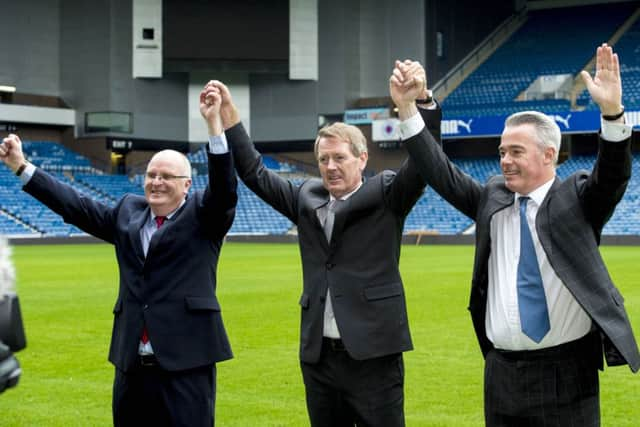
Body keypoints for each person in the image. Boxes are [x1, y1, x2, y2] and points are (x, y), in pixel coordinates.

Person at [400, 43, 639, 426]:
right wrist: (412, 110)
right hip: (501, 373)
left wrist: (612, 112)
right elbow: (440, 173)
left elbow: (612, 175)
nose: (505, 161)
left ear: (548, 155)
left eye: (515, 151)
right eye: (501, 152)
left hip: (567, 375)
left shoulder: (577, 199)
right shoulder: (492, 199)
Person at [199, 61, 438, 426]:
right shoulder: (306, 198)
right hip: (320, 359)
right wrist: (229, 116)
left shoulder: (387, 193)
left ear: (362, 159)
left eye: (339, 158)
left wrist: (420, 102)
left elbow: (425, 165)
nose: (330, 167)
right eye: (323, 159)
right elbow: (254, 173)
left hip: (373, 356)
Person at [0, 87, 237, 426]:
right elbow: (76, 206)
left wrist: (214, 124)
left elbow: (225, 187)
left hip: (186, 365)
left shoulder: (204, 216)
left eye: (166, 176)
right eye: (151, 175)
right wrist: (21, 166)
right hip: (131, 365)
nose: (155, 182)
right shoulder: (129, 212)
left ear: (187, 185)